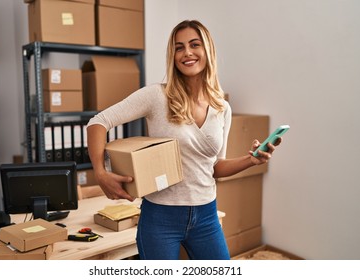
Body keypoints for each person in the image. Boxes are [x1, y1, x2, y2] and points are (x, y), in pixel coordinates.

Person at [86, 19, 282, 260]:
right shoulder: (156, 96)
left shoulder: (222, 108)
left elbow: (215, 167)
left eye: (194, 44)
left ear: (207, 50)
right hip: (160, 218)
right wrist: (100, 172)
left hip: (207, 217)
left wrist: (251, 160)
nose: (187, 53)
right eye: (179, 47)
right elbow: (98, 122)